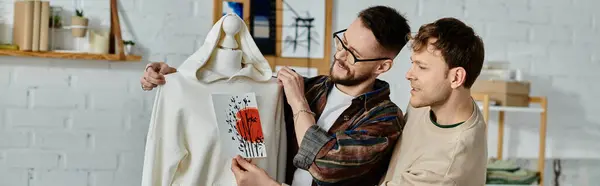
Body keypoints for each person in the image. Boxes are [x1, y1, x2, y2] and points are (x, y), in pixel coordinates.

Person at [140, 6, 411, 186]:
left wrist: (298, 103)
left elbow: (325, 163)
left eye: (354, 54)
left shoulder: (385, 119)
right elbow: (239, 86)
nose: (340, 55)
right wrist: (178, 78)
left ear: (382, 66)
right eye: (342, 42)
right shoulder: (312, 88)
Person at [379, 17, 488, 186]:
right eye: (413, 63)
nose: (409, 75)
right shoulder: (431, 100)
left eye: (422, 67)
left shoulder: (445, 167)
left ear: (456, 77)